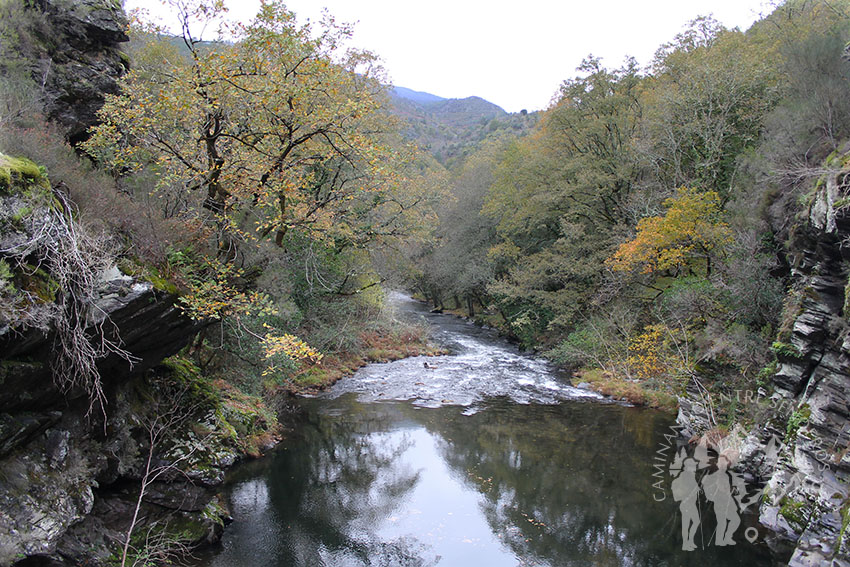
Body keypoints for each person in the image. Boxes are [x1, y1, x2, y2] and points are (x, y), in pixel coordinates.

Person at [671, 455, 701, 551]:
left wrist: (698, 489)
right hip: (686, 504)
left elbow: (695, 487)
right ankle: (686, 544)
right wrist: (690, 493)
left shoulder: (691, 476)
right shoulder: (685, 476)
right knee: (687, 524)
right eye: (693, 466)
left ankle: (690, 542)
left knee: (694, 522)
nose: (695, 468)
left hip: (691, 504)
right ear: (687, 467)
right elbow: (685, 490)